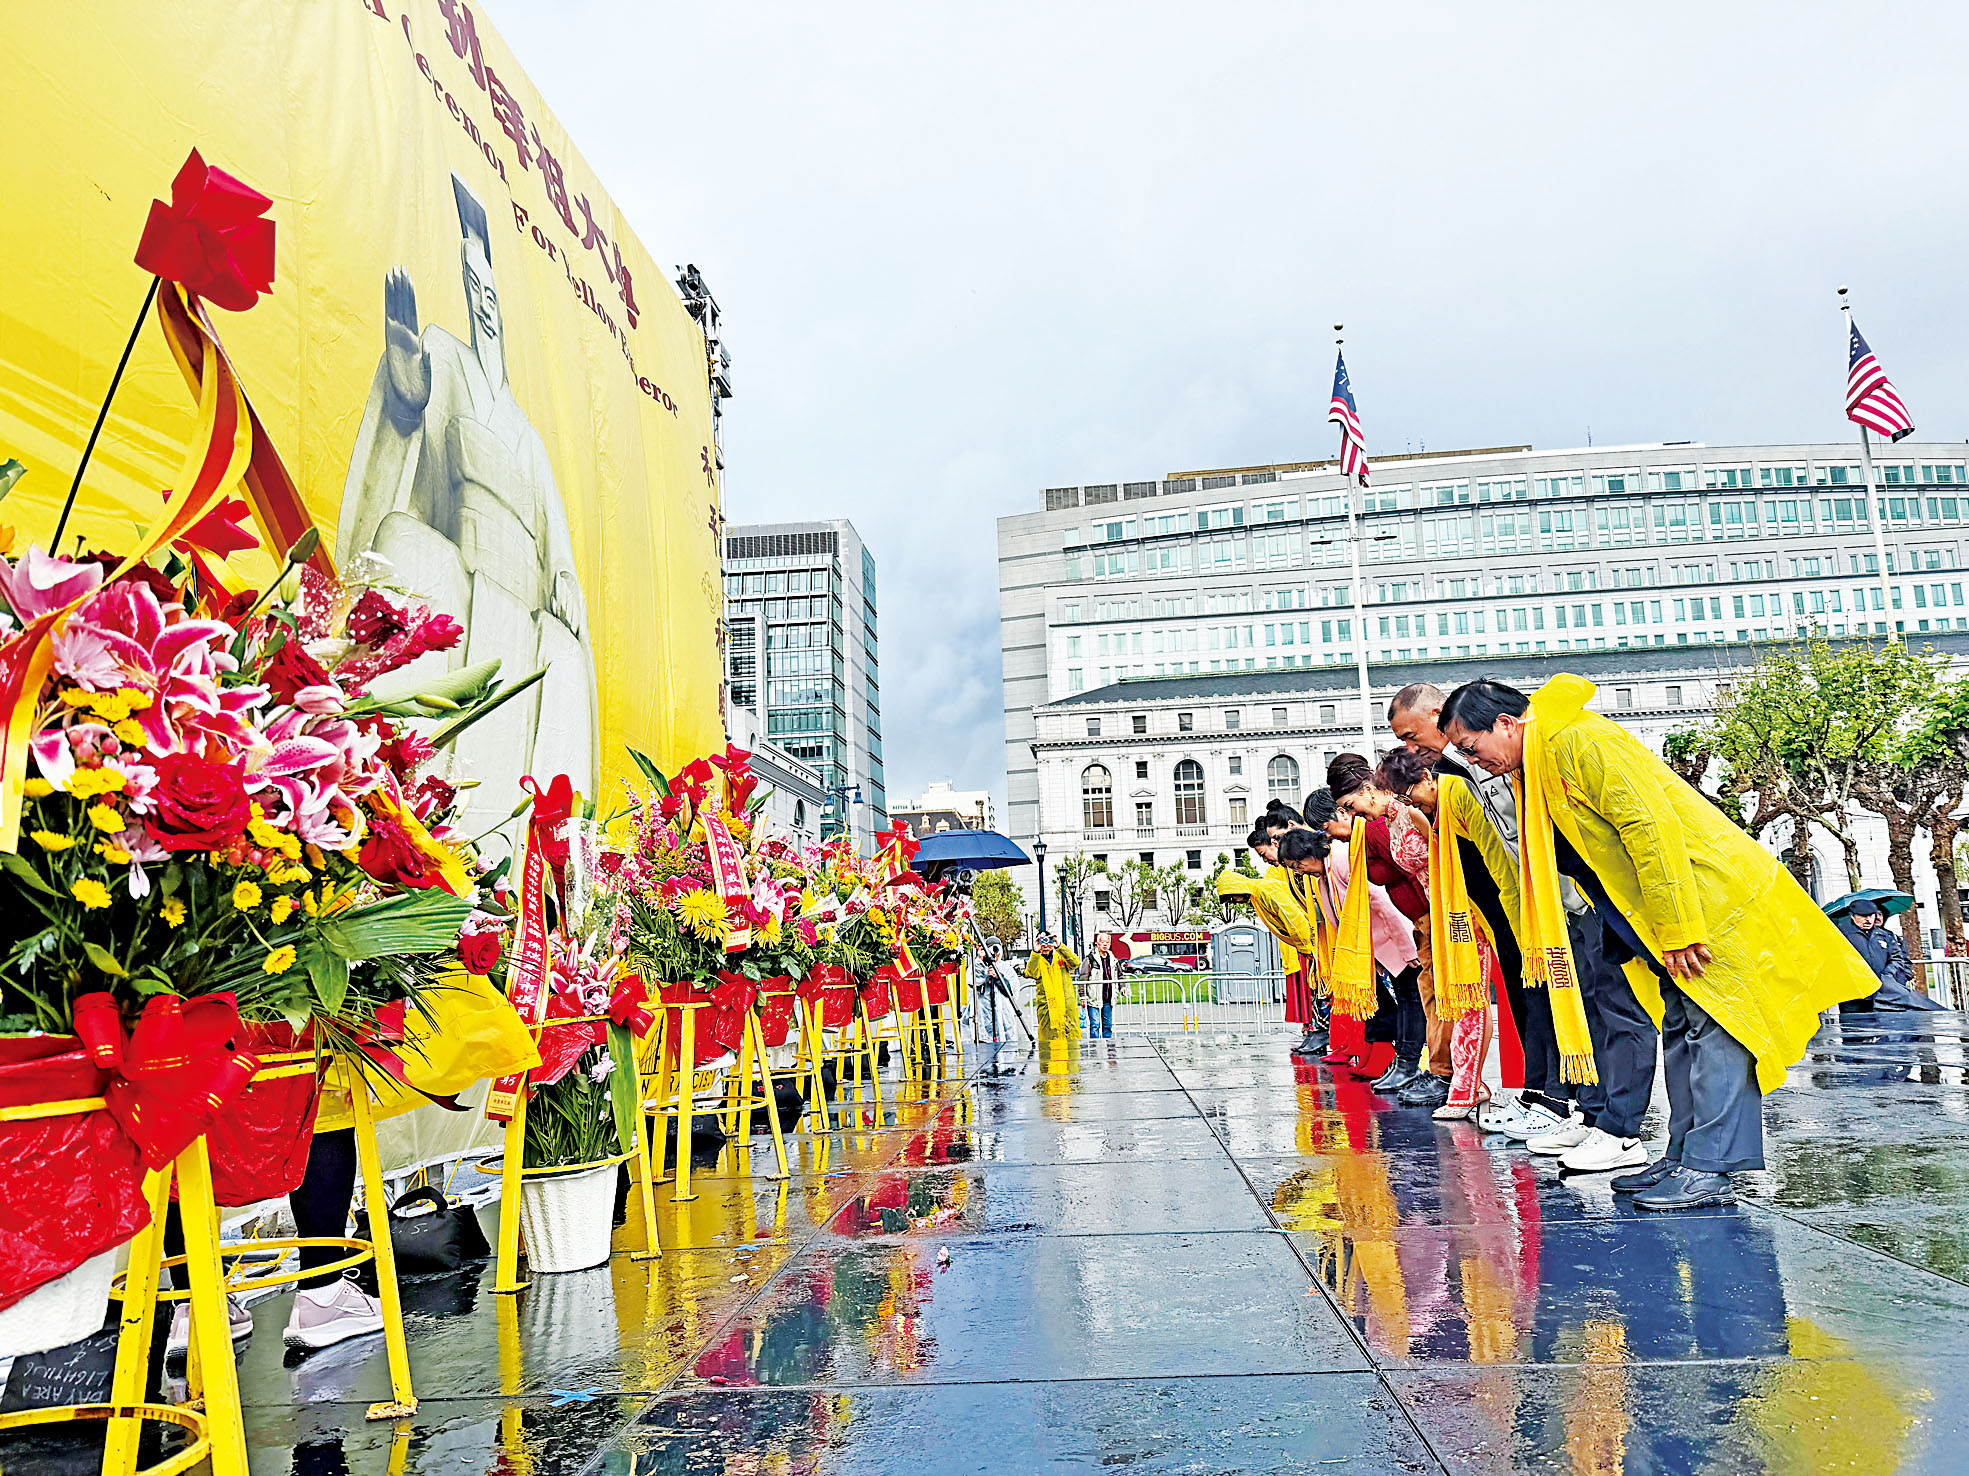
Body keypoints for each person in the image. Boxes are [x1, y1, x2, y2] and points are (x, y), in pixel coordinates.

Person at [1440, 674, 1879, 1210]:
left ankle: (1713, 1165)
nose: (1472, 760)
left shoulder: (1578, 742)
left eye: (1470, 746)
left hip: (1703, 905)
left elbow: (1650, 828)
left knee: (1717, 1028)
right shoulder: (1541, 759)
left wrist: (1679, 929)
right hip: (1650, 913)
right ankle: (1684, 1153)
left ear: (1506, 724)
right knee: (1680, 1024)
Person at [1386, 682, 1581, 1145]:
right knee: (1522, 995)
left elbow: (1510, 839)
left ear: (1438, 714)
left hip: (1537, 900)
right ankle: (1539, 1094)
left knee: (1550, 995)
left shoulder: (1484, 763)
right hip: (1501, 908)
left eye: (1412, 736)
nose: (1412, 748)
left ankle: (1560, 1100)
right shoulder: (1458, 769)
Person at [1371, 748, 1497, 1122]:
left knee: (1468, 995)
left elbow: (1446, 854)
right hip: (1439, 912)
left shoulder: (1419, 814)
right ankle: (1463, 1079)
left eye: (1406, 792)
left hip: (1461, 910)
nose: (1407, 800)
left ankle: (1465, 1084)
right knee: (1450, 996)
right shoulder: (1404, 816)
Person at [1327, 754, 1451, 1110]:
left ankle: (1445, 1074)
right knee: (1430, 996)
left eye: (1350, 807)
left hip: (1442, 914)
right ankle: (1440, 1072)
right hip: (1423, 920)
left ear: (1369, 789)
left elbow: (1436, 859)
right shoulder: (1387, 819)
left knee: (1437, 998)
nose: (1352, 817)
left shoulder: (1402, 815)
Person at [1835, 901, 1944, 1012]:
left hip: (1885, 992)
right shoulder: (1841, 935)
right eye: (1863, 916)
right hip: (1855, 995)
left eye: (1871, 915)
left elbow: (1897, 958)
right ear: (1853, 916)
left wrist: (1889, 975)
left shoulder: (1885, 935)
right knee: (1855, 1025)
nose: (1868, 919)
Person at [1023, 933, 1081, 1040]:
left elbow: (1075, 963)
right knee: (1048, 1044)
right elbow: (1030, 973)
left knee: (1071, 1042)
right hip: (1047, 1007)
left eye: (1048, 941)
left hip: (1066, 1006)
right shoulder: (1037, 959)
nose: (1045, 945)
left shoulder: (1060, 956)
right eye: (1042, 941)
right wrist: (1035, 952)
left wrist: (1059, 946)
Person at [1078, 932, 1119, 1039]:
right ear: (1097, 944)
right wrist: (1083, 996)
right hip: (1094, 998)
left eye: (1107, 942)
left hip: (1108, 998)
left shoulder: (1113, 959)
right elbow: (1083, 977)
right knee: (1095, 1025)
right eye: (1102, 942)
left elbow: (1120, 975)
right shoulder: (1090, 959)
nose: (1105, 944)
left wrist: (1122, 987)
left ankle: (1108, 1048)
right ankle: (1095, 1049)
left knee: (1108, 1026)